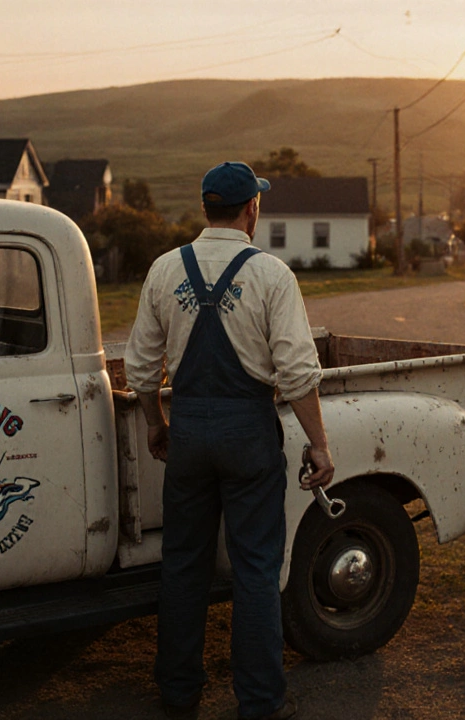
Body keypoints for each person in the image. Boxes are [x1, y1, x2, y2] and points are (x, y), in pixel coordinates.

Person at [124, 161, 335, 720]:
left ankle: (177, 691)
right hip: (247, 432)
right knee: (256, 570)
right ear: (251, 210)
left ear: (204, 209)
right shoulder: (271, 275)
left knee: (184, 564)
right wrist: (320, 445)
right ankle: (261, 702)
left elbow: (142, 370)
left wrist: (155, 422)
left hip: (189, 431)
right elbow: (296, 372)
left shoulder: (164, 270)